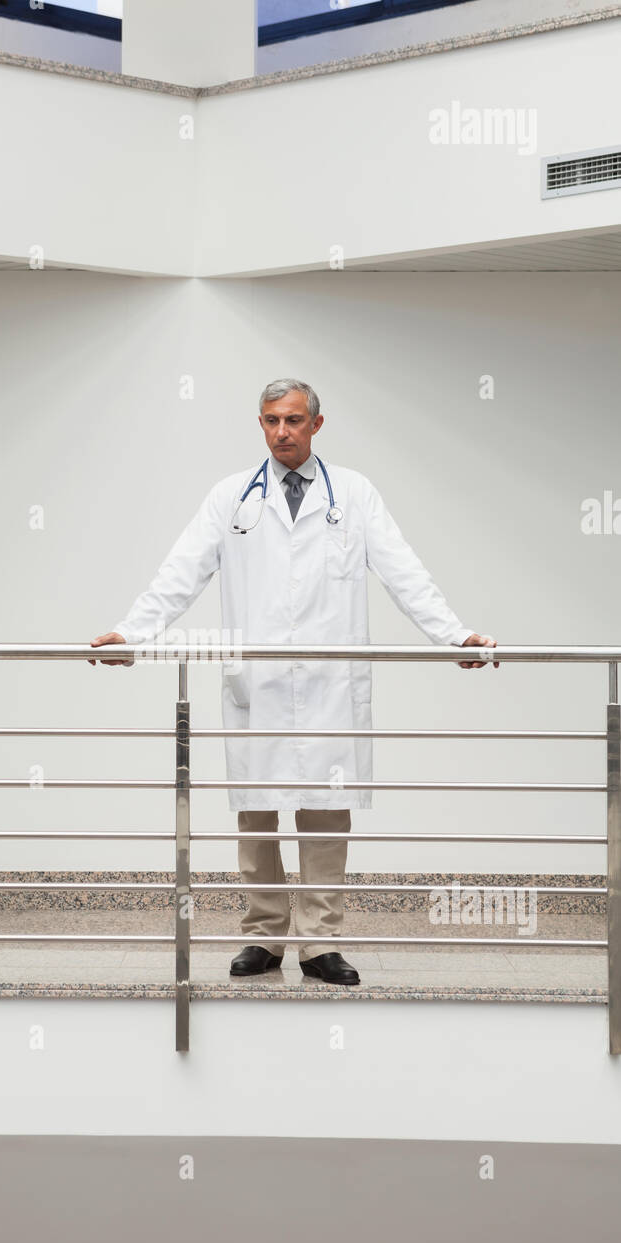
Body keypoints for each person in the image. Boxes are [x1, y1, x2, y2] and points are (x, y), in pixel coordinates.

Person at [90, 379, 497, 985]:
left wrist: (453, 635)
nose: (283, 431)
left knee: (325, 814)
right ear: (260, 424)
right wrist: (132, 634)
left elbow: (403, 571)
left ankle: (319, 943)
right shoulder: (232, 498)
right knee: (257, 814)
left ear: (317, 424)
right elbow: (180, 573)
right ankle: (262, 937)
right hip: (259, 687)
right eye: (273, 420)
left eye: (295, 420)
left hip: (330, 684)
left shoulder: (353, 495)